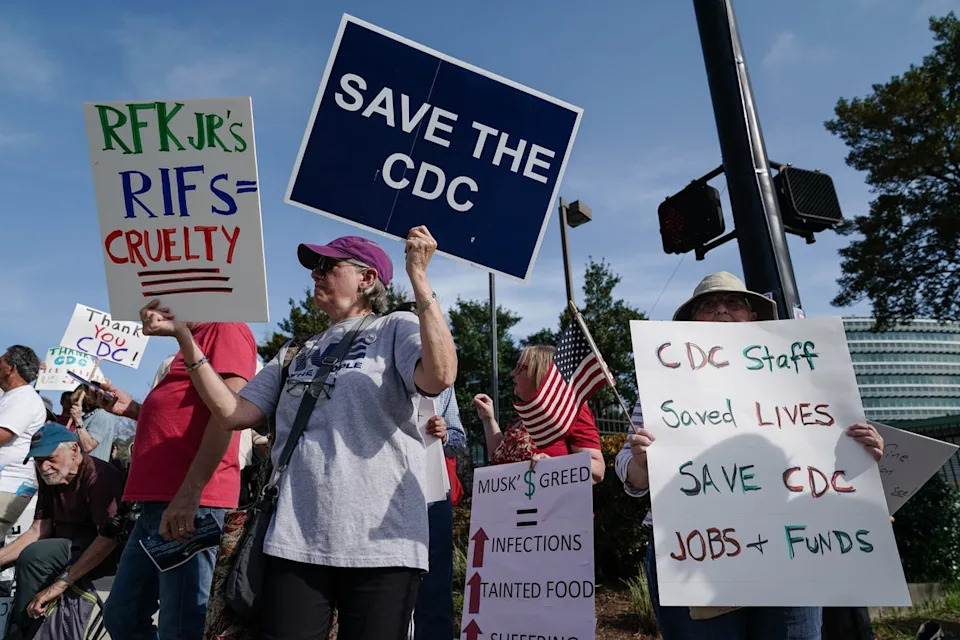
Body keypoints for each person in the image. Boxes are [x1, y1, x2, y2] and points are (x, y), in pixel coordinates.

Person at [138, 227, 457, 640]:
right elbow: (233, 413)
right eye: (314, 267)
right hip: (295, 538)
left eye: (328, 266)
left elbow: (441, 374)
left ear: (367, 278)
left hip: (381, 542)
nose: (315, 274)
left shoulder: (396, 327)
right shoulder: (295, 350)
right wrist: (185, 337)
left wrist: (419, 277)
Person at [615, 271, 886, 640]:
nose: (721, 311)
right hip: (699, 550)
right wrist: (640, 466)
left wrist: (861, 454)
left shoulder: (798, 376)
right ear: (693, 320)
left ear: (752, 316)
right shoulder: (664, 383)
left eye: (733, 303)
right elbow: (629, 470)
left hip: (793, 546)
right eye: (708, 305)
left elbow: (824, 452)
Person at [92, 322, 257, 640]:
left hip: (189, 504)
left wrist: (190, 493)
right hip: (159, 503)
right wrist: (133, 410)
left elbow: (228, 413)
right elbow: (180, 418)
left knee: (182, 625)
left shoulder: (226, 327)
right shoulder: (191, 341)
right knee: (122, 615)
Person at [0, 424, 125, 638]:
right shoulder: (51, 476)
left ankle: (22, 631)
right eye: (38, 461)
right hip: (66, 546)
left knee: (36, 555)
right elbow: (39, 528)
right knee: (21, 556)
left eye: (50, 458)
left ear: (74, 450)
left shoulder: (100, 476)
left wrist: (63, 582)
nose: (44, 467)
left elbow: (108, 539)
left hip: (101, 550)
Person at [473, 345, 605, 483]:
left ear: (540, 373)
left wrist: (554, 466)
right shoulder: (522, 419)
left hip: (552, 503)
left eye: (520, 368)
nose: (512, 373)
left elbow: (597, 469)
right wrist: (488, 419)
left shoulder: (571, 411)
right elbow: (499, 457)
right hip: (512, 502)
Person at [413, 385, 466, 640]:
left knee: (435, 589)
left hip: (432, 498)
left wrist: (444, 435)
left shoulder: (442, 384)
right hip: (381, 496)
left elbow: (458, 440)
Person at [0, 346, 45, 537]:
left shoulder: (24, 399)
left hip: (8, 487)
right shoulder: (11, 397)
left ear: (12, 368)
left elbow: (2, 434)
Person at [68, 385, 120, 463]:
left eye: (76, 401)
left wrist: (78, 420)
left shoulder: (102, 414)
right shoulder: (86, 417)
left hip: (94, 471)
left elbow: (88, 446)